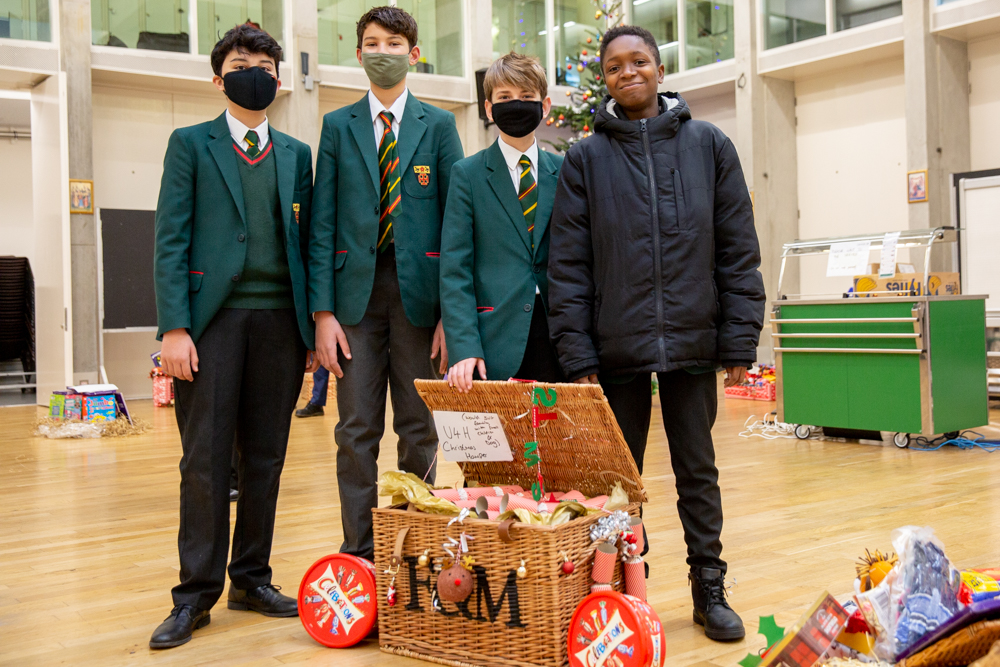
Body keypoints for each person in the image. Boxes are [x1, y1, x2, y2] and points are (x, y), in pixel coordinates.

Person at [547, 24, 765, 642]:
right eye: (615, 66)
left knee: (698, 471)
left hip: (694, 344)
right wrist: (578, 353)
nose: (628, 72)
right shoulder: (586, 158)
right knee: (617, 483)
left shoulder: (709, 145)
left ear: (661, 70)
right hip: (616, 348)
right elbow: (568, 265)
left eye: (639, 60)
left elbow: (737, 248)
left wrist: (739, 338)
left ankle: (709, 587)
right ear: (606, 79)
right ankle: (612, 593)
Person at [150, 23, 318, 649]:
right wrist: (174, 327)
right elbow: (169, 239)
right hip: (210, 325)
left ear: (279, 78)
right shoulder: (190, 144)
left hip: (280, 325)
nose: (256, 71)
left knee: (266, 459)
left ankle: (251, 577)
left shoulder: (298, 155)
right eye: (242, 62)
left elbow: (307, 245)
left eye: (266, 63)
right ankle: (193, 595)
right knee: (205, 461)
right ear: (219, 78)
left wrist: (311, 327)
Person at [308, 6, 465, 562]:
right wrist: (322, 315)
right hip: (354, 300)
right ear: (358, 54)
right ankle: (361, 550)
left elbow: (456, 223)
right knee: (355, 431)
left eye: (394, 43)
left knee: (419, 429)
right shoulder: (336, 126)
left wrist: (453, 313)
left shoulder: (441, 126)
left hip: (420, 297)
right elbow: (321, 223)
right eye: (371, 42)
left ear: (413, 54)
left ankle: (412, 546)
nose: (383, 51)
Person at [440, 53, 564, 391]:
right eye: (505, 98)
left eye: (527, 98)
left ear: (546, 105)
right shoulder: (467, 174)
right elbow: (455, 269)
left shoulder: (566, 170)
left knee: (557, 442)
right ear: (489, 108)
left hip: (559, 336)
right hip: (495, 336)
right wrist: (464, 346)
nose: (517, 105)